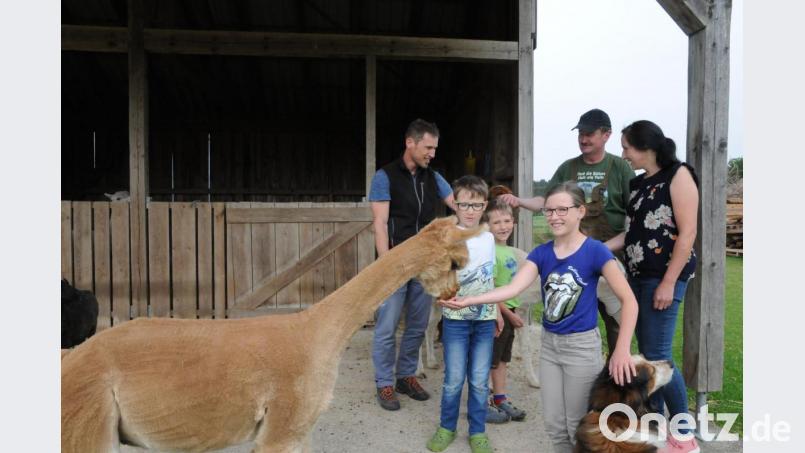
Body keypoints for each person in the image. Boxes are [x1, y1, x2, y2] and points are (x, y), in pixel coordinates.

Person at [443, 181, 638, 453]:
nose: (554, 216)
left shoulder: (595, 251)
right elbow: (513, 288)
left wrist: (622, 350)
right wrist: (470, 299)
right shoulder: (542, 253)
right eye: (548, 210)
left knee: (576, 425)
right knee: (555, 426)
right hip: (550, 347)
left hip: (581, 348)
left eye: (562, 210)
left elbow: (629, 301)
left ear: (580, 211)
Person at [499, 108, 634, 355]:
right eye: (580, 133)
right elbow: (545, 202)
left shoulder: (620, 168)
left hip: (609, 254)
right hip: (571, 257)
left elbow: (632, 217)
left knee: (617, 322)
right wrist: (520, 201)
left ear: (606, 135)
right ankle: (575, 368)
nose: (583, 139)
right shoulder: (567, 168)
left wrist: (601, 250)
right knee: (569, 315)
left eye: (589, 134)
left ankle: (617, 379)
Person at [616, 120, 701, 453]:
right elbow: (632, 234)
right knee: (649, 354)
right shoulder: (638, 185)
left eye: (626, 147)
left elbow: (688, 231)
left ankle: (684, 434)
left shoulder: (679, 175)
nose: (623, 154)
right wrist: (592, 249)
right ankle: (660, 424)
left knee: (658, 356)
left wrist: (668, 282)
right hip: (636, 276)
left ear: (645, 146)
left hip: (663, 277)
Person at [368, 118, 455, 411]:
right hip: (397, 261)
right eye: (428, 147)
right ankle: (385, 383)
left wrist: (485, 205)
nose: (432, 153)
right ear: (411, 142)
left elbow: (459, 203)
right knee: (387, 326)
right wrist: (386, 264)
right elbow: (380, 223)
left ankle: (405, 376)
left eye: (434, 148)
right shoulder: (385, 176)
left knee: (418, 324)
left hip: (426, 262)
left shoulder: (434, 177)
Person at [426, 175, 501, 453]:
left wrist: (499, 313)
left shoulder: (489, 238)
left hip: (484, 319)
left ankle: (477, 431)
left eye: (476, 205)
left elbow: (491, 278)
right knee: (454, 379)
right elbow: (436, 274)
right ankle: (446, 427)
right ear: (454, 205)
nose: (470, 211)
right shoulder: (447, 237)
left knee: (480, 380)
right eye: (464, 205)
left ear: (485, 207)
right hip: (455, 321)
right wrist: (440, 296)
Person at [484, 197, 527, 424]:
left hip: (509, 311)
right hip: (495, 314)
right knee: (489, 359)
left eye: (507, 221)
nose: (503, 226)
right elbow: (490, 288)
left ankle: (500, 398)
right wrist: (507, 313)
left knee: (502, 359)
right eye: (497, 222)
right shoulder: (490, 252)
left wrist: (514, 310)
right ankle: (481, 402)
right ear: (487, 227)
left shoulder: (508, 251)